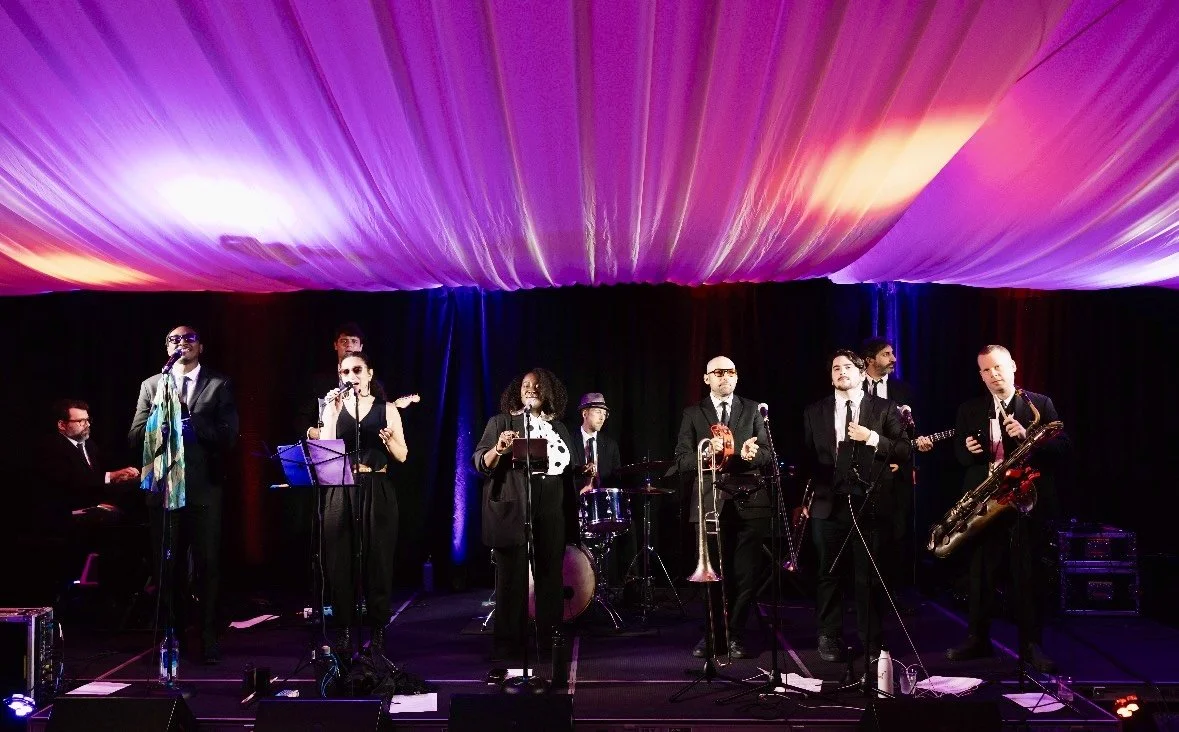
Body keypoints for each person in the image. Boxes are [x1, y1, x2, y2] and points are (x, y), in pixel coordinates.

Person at [945, 345, 1069, 672]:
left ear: (1013, 366)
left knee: (1027, 575)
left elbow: (1063, 448)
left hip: (1025, 500)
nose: (993, 375)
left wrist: (1030, 436)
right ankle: (977, 638)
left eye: (998, 367)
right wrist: (969, 449)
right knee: (980, 573)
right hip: (987, 501)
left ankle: (1031, 645)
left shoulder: (1039, 404)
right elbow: (959, 456)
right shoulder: (970, 409)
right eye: (986, 370)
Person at [129, 325, 239, 664]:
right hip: (164, 490)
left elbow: (228, 436)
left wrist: (188, 419)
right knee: (168, 567)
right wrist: (156, 428)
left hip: (204, 488)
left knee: (206, 565)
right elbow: (135, 436)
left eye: (188, 338)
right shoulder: (152, 384)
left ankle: (207, 636)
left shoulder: (219, 384)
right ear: (166, 347)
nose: (182, 343)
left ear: (200, 347)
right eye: (174, 339)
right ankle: (170, 637)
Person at [801, 349, 910, 664]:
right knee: (828, 572)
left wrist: (873, 438)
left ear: (863, 373)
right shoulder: (815, 411)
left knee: (868, 575)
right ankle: (829, 636)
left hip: (871, 503)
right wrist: (805, 499)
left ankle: (871, 639)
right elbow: (808, 459)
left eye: (847, 366)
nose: (841, 372)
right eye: (835, 367)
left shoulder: (886, 408)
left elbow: (903, 450)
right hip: (828, 503)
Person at [473, 368, 578, 659]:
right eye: (525, 385)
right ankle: (509, 646)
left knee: (550, 577)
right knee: (512, 579)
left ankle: (549, 644)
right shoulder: (502, 422)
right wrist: (499, 448)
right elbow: (480, 462)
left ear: (548, 392)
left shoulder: (560, 428)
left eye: (537, 385)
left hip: (552, 503)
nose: (530, 389)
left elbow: (566, 468)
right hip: (515, 503)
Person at [672, 356, 770, 659]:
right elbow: (680, 460)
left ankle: (735, 633)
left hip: (749, 500)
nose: (724, 377)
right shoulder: (693, 412)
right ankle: (712, 633)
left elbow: (768, 454)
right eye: (717, 372)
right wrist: (704, 453)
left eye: (729, 372)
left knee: (746, 574)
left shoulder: (754, 409)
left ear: (737, 377)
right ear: (706, 379)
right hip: (709, 500)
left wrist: (754, 453)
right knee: (713, 572)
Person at [318, 351, 408, 657]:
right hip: (342, 488)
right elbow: (327, 452)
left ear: (369, 373)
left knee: (378, 560)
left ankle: (379, 629)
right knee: (339, 560)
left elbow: (402, 455)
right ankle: (343, 628)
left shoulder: (387, 409)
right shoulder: (334, 407)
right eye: (345, 372)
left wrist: (389, 441)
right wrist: (330, 414)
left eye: (357, 370)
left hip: (377, 486)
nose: (351, 376)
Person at [42, 400, 140, 595]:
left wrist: (120, 476)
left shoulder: (90, 446)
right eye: (80, 421)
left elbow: (95, 477)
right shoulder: (53, 448)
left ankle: (125, 590)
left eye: (88, 420)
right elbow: (73, 483)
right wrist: (111, 477)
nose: (87, 425)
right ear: (62, 425)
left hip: (91, 511)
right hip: (66, 515)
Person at [861, 337, 919, 608]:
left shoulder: (903, 390)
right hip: (862, 473)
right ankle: (861, 593)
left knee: (896, 533)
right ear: (869, 360)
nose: (893, 358)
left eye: (893, 353)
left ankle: (893, 592)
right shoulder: (854, 386)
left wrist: (900, 461)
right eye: (886, 354)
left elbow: (908, 434)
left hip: (896, 474)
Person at [569, 393, 633, 601]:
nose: (602, 417)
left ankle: (608, 588)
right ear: (585, 413)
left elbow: (616, 479)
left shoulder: (610, 445)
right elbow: (562, 474)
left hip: (601, 508)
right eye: (598, 412)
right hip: (573, 505)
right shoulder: (569, 440)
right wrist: (578, 491)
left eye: (605, 413)